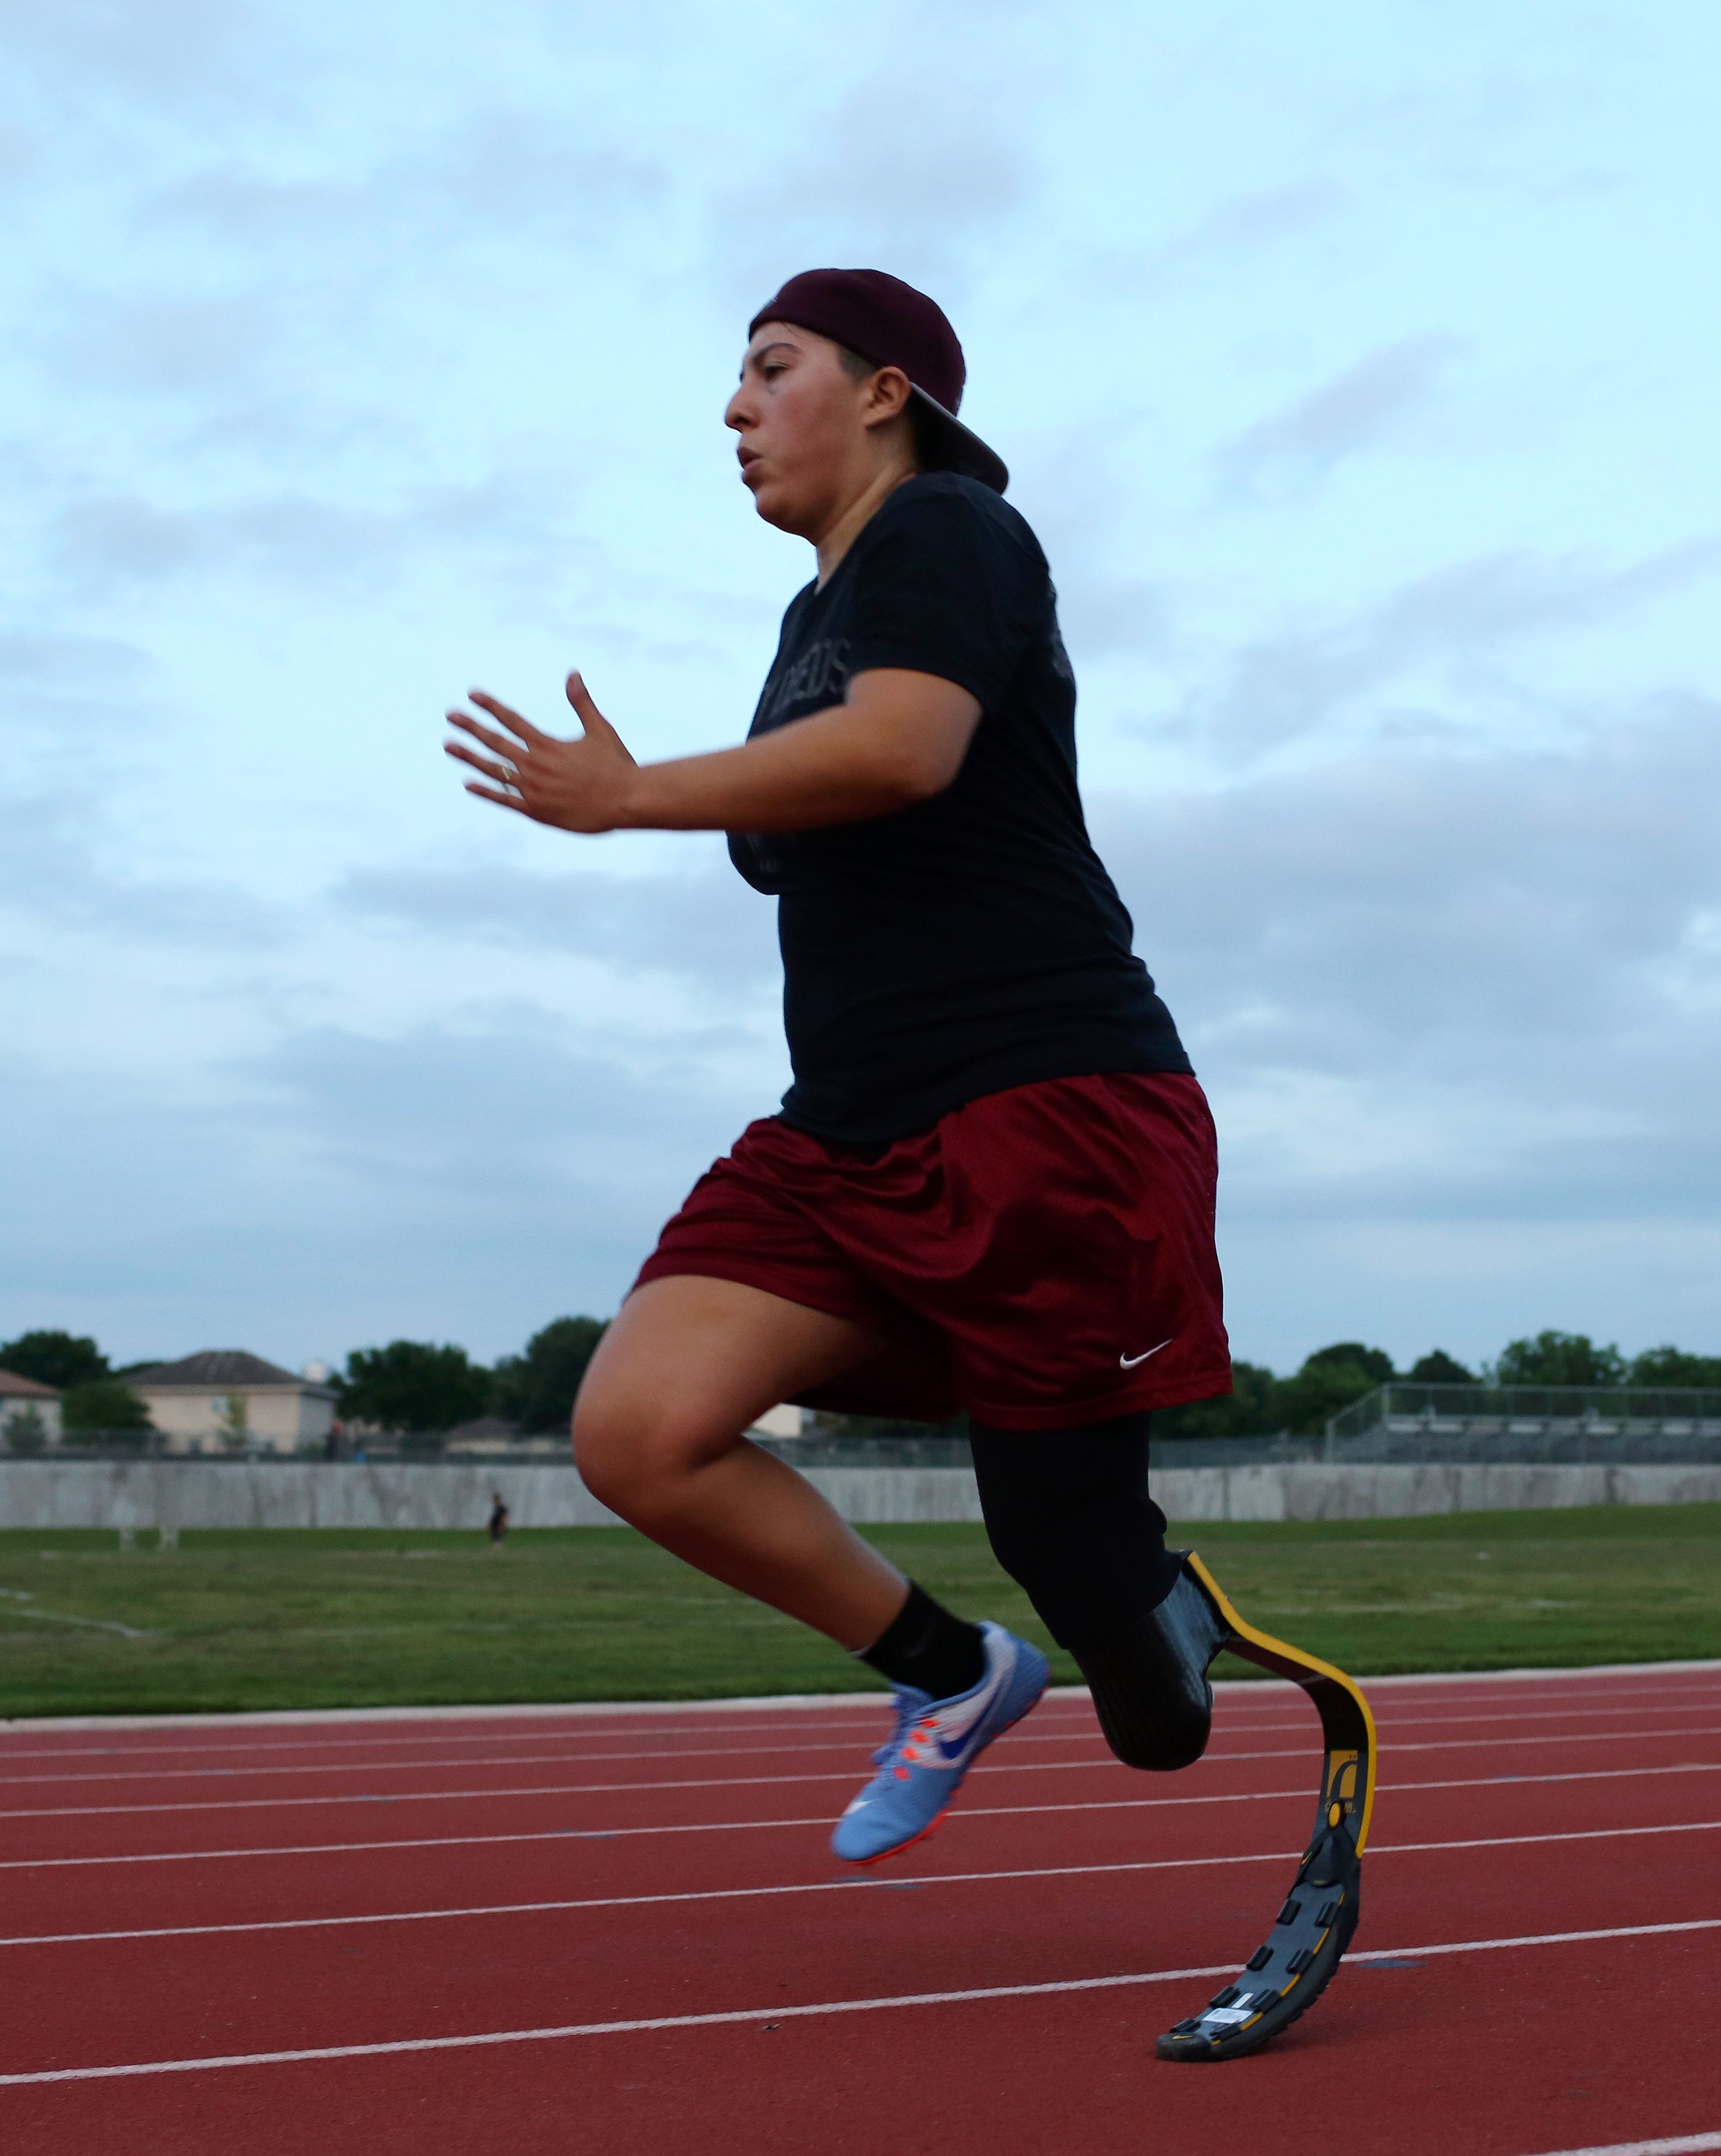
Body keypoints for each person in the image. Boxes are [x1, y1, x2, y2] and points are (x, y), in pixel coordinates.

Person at [445, 274, 1367, 2059]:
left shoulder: (950, 527)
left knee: (1105, 1615)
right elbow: (829, 781)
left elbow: (908, 750)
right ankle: (953, 1672)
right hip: (845, 1126)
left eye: (766, 371)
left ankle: (1124, 1615)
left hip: (1047, 1106)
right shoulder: (815, 616)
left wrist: (633, 797)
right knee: (639, 1433)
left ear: (883, 392)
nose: (733, 410)